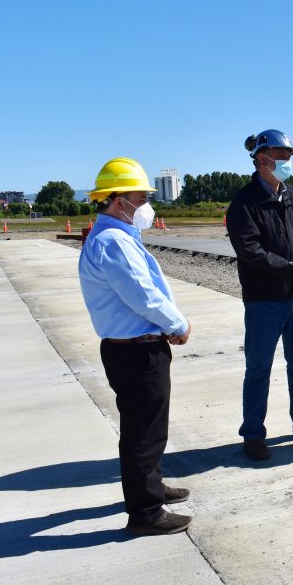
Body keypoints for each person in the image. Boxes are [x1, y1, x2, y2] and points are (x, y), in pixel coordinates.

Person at [78, 157, 193, 536]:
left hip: (134, 347)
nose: (145, 204)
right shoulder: (113, 242)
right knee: (143, 433)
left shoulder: (118, 237)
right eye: (140, 197)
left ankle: (153, 487)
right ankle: (146, 512)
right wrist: (177, 324)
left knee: (148, 428)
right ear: (116, 200)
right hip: (137, 350)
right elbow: (142, 296)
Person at [227, 129, 293, 461]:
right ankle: (253, 434)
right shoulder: (244, 203)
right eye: (283, 156)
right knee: (259, 368)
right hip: (264, 302)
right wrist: (291, 268)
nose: (288, 162)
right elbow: (250, 250)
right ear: (263, 159)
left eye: (289, 156)